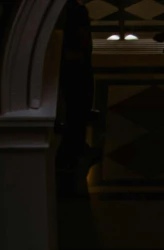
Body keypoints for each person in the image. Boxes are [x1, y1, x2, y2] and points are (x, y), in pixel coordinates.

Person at [55, 0, 96, 194]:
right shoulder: (76, 11)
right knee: (78, 108)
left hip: (68, 65)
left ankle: (73, 152)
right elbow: (82, 39)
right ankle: (73, 154)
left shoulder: (66, 11)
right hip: (77, 66)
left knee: (73, 109)